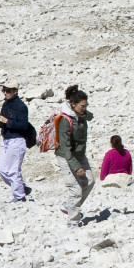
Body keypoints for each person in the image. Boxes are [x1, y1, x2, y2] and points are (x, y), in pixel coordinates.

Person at [56, 85, 94, 226]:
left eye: (86, 106)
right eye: (82, 106)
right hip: (66, 156)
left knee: (90, 182)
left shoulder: (81, 115)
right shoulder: (65, 121)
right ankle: (73, 221)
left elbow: (90, 116)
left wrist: (85, 112)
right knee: (75, 189)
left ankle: (69, 206)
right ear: (73, 104)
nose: (85, 108)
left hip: (79, 154)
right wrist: (76, 167)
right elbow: (65, 149)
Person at [0, 80, 32, 203]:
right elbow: (4, 122)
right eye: (4, 90)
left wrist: (7, 121)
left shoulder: (21, 106)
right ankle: (21, 188)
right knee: (2, 169)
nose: (5, 93)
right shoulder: (6, 104)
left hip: (17, 140)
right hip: (6, 139)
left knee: (13, 170)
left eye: (8, 91)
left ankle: (19, 196)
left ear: (15, 91)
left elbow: (24, 126)